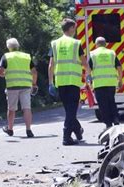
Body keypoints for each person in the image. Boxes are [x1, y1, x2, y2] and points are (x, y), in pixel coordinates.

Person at [48, 18, 90, 146]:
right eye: (75, 27)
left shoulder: (55, 43)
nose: (75, 30)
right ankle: (66, 137)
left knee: (69, 110)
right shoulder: (76, 43)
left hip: (60, 82)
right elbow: (84, 62)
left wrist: (50, 83)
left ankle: (77, 130)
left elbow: (51, 65)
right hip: (73, 81)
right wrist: (88, 76)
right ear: (71, 28)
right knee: (71, 110)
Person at [0, 38, 38, 137]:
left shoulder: (6, 56)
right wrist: (34, 84)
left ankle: (10, 129)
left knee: (11, 109)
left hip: (12, 86)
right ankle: (28, 130)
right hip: (26, 86)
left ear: (8, 47)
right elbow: (34, 72)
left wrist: (5, 75)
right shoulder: (26, 56)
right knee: (26, 108)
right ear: (18, 46)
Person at [88, 36, 122, 129]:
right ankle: (116, 119)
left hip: (99, 84)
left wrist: (89, 82)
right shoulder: (111, 53)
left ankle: (108, 124)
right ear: (105, 44)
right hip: (111, 83)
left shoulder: (93, 54)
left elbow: (88, 69)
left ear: (96, 44)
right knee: (111, 102)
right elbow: (119, 67)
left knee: (103, 105)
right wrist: (120, 80)